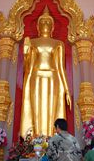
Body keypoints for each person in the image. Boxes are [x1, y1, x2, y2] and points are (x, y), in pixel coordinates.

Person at [20, 7, 71, 137]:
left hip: (53, 77)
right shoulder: (32, 42)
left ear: (53, 27)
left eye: (48, 22)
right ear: (38, 25)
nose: (45, 24)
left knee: (51, 109)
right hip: (36, 76)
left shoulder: (58, 43)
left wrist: (66, 90)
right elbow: (27, 67)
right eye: (42, 22)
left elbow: (61, 67)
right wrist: (26, 52)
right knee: (36, 107)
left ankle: (51, 136)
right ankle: (35, 137)